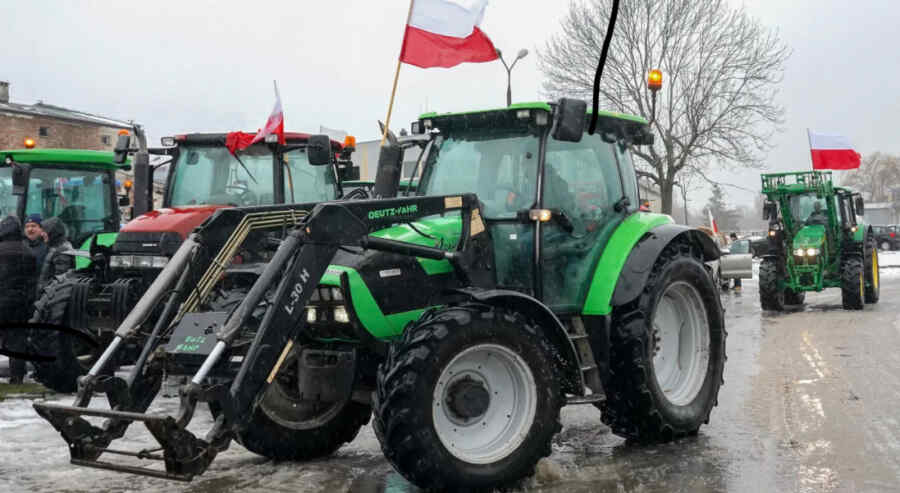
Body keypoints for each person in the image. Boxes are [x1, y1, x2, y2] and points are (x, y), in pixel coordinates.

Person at [0, 216, 38, 385]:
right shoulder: (28, 252)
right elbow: (33, 281)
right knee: (17, 339)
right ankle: (17, 376)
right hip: (20, 303)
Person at [36, 217, 75, 295]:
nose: (42, 234)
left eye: (44, 231)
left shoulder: (62, 250)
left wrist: (45, 291)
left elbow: (60, 279)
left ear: (53, 233)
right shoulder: (55, 247)